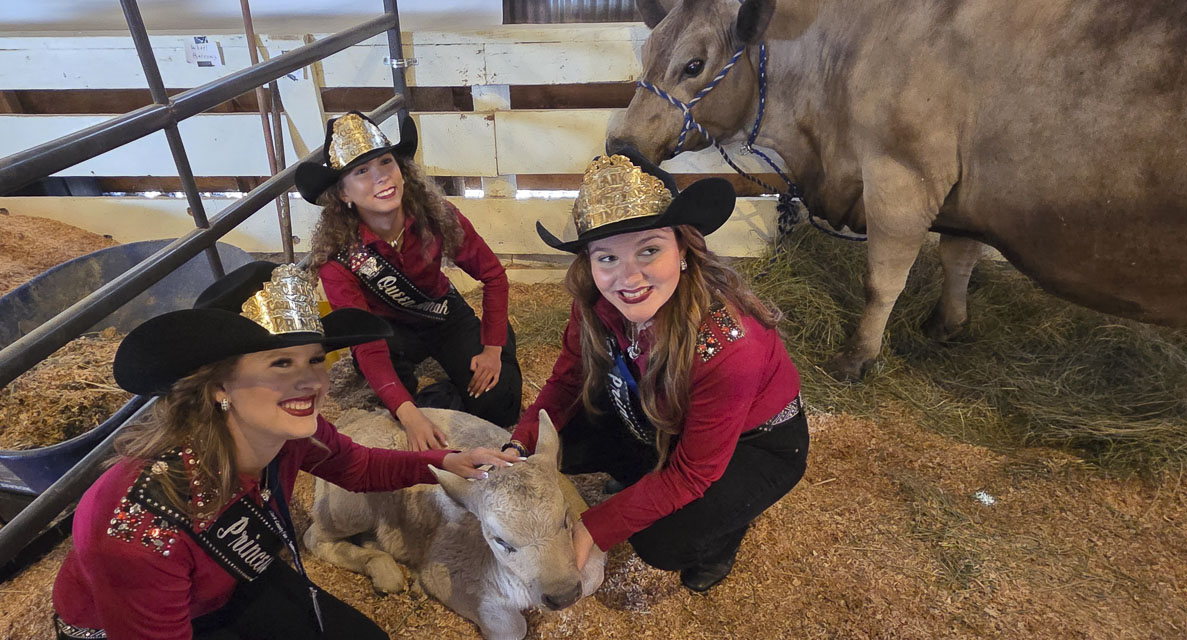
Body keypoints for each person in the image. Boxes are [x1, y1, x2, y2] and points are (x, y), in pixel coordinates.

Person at [51, 261, 520, 639]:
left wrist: (443, 462)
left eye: (315, 360)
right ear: (218, 386)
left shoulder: (293, 435)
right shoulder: (135, 526)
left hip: (229, 581)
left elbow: (359, 467)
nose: (310, 381)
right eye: (281, 363)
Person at [507, 153, 810, 593]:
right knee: (561, 444)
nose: (628, 277)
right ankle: (642, 470)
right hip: (657, 414)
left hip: (755, 442)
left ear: (683, 249)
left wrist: (595, 526)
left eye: (649, 250)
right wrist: (519, 443)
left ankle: (724, 532)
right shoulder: (594, 300)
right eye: (607, 257)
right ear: (589, 263)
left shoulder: (729, 344)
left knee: (662, 543)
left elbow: (693, 473)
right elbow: (568, 381)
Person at [298, 111, 522, 451]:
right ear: (343, 194)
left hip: (443, 313)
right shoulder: (337, 258)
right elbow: (365, 341)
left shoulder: (439, 216)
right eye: (361, 172)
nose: (381, 178)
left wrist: (491, 349)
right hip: (389, 331)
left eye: (386, 162)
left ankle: (494, 345)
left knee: (499, 404)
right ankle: (430, 399)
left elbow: (492, 275)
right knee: (402, 406)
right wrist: (410, 416)